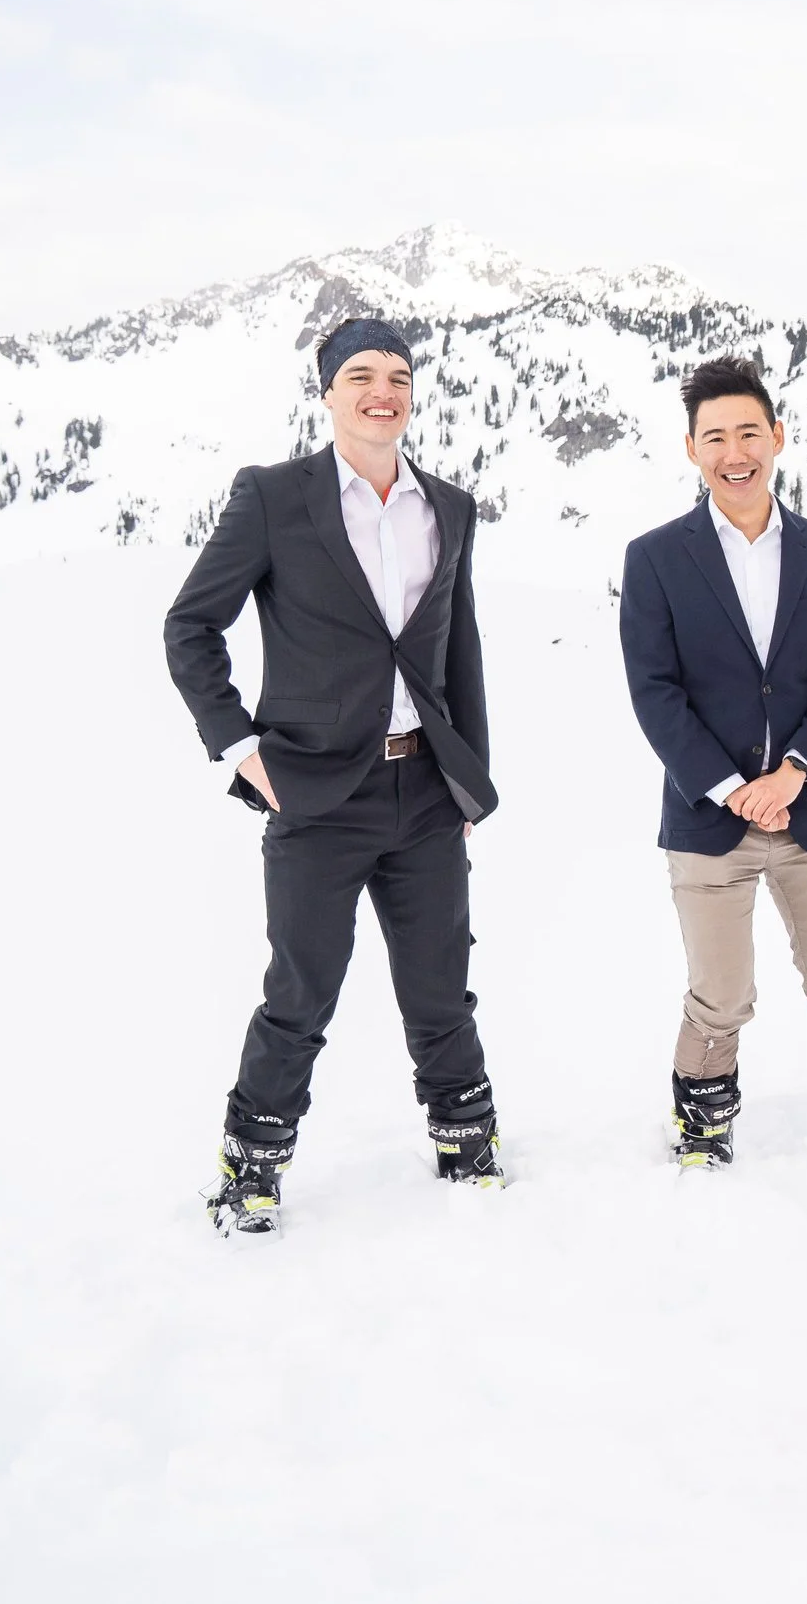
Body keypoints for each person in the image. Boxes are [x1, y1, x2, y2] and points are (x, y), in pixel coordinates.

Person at [165, 317, 504, 1237]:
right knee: (300, 992)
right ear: (327, 392)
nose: (382, 391)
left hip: (426, 791)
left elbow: (458, 651)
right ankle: (251, 1166)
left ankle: (466, 1139)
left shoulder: (449, 507)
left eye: (398, 375)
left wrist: (469, 782)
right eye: (361, 375)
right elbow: (190, 625)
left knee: (440, 986)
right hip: (315, 794)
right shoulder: (275, 497)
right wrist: (239, 748)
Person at [619, 357, 807, 1168]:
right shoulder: (656, 558)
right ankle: (703, 1124)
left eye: (748, 433)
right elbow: (655, 690)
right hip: (708, 821)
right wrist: (735, 789)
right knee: (722, 990)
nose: (734, 453)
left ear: (777, 436)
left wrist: (795, 773)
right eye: (714, 438)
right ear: (691, 449)